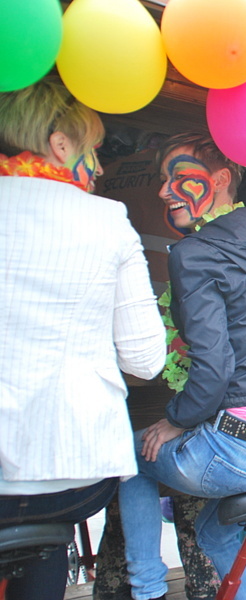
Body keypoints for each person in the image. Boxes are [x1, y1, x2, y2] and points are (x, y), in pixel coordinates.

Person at [117, 132, 246, 600]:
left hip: (243, 454)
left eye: (178, 178)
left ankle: (146, 591)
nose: (164, 191)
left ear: (222, 179)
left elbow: (212, 372)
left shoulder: (194, 253)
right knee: (214, 534)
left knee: (129, 456)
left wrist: (173, 420)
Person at [0, 79, 167, 600]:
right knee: (45, 546)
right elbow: (145, 359)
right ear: (60, 144)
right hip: (77, 468)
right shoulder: (108, 219)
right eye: (92, 150)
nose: (97, 167)